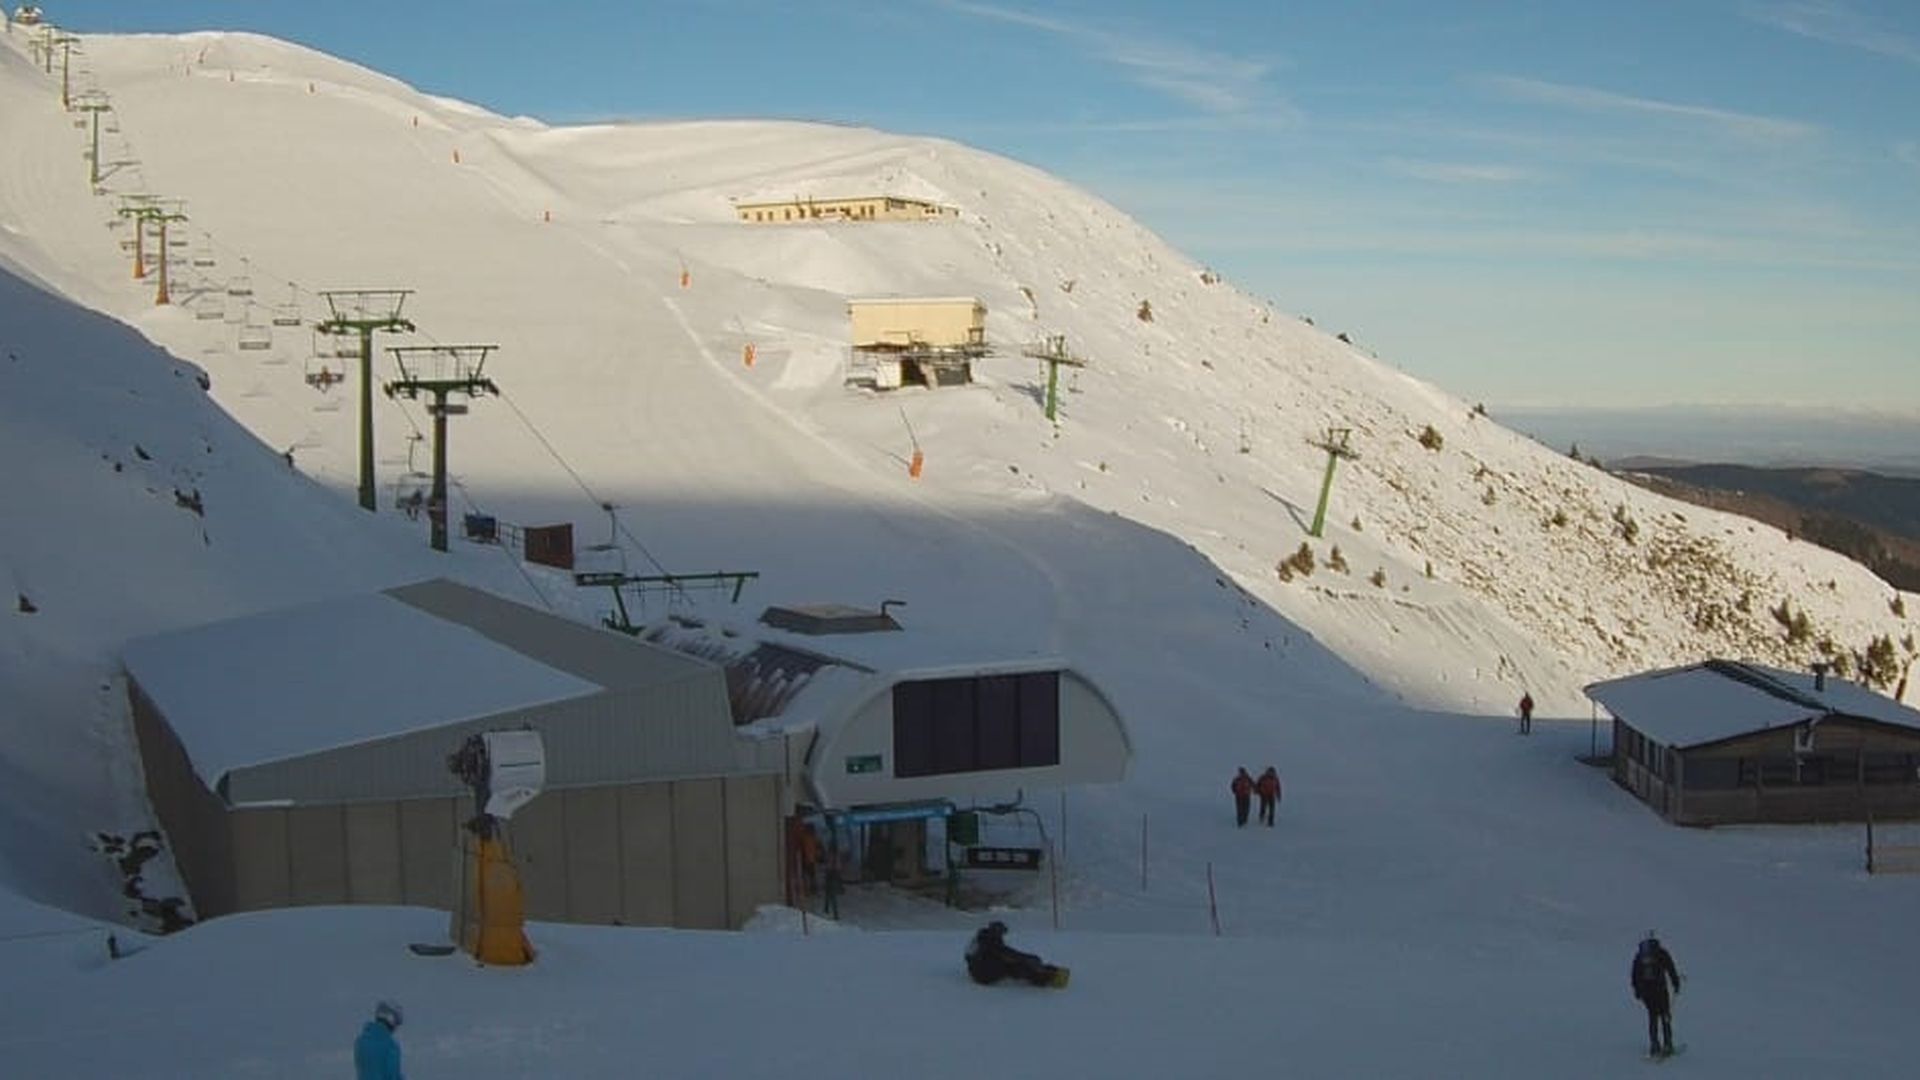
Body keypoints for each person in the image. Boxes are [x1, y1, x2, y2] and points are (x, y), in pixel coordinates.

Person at [1629, 932, 1682, 1057]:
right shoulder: (1661, 953)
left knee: (1653, 1017)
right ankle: (1668, 1044)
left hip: (1647, 991)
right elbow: (1670, 968)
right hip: (1661, 989)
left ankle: (1654, 1045)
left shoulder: (1640, 956)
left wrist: (1637, 990)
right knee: (1665, 1016)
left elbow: (1635, 974)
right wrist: (1676, 983)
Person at [965, 921, 1058, 987]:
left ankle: (1040, 970)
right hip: (984, 975)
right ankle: (1043, 978)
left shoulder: (981, 937)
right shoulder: (990, 941)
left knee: (1012, 962)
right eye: (1002, 932)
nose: (1002, 935)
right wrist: (1027, 958)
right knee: (1016, 966)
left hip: (975, 970)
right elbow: (1007, 953)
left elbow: (968, 956)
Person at [355, 1000, 405, 1080]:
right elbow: (393, 1076)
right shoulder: (390, 1046)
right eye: (396, 1022)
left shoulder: (361, 1041)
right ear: (390, 1019)